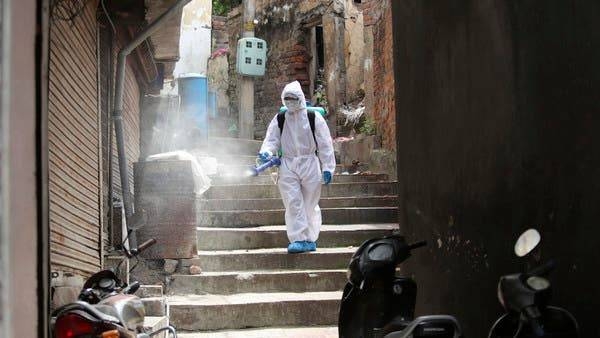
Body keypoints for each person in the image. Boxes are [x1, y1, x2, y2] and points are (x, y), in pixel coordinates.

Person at [258, 81, 336, 253]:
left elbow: (325, 144)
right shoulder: (280, 118)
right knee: (293, 202)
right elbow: (271, 139)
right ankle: (299, 239)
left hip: (309, 163)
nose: (290, 101)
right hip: (287, 164)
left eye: (293, 98)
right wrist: (266, 152)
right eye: (287, 99)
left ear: (300, 98)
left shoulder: (313, 118)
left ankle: (310, 238)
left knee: (309, 204)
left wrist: (328, 168)